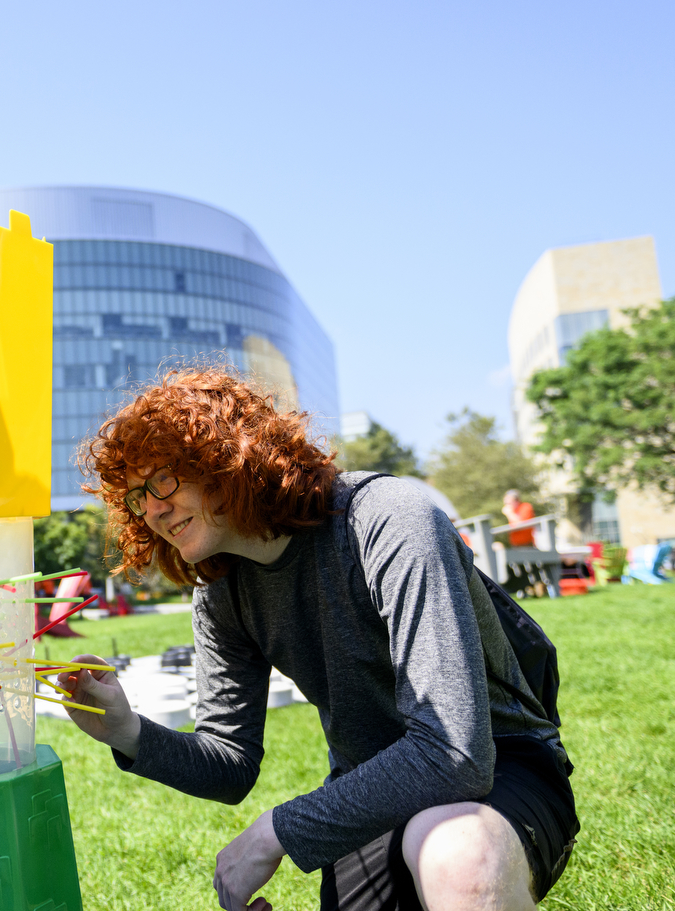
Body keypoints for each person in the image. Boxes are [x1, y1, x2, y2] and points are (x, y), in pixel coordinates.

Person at [58, 368, 579, 911]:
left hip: (502, 769)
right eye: (139, 496)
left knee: (455, 854)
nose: (152, 510)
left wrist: (274, 831)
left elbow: (454, 753)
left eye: (163, 480)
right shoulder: (219, 591)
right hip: (371, 792)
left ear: (223, 457)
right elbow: (229, 760)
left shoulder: (389, 520)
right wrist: (125, 730)